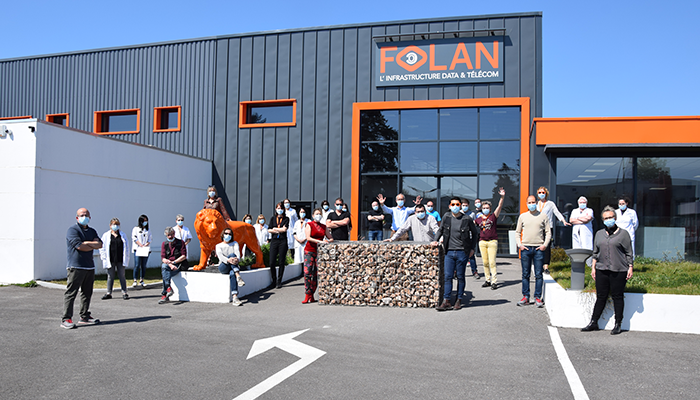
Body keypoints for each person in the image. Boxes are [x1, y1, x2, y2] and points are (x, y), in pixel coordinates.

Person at [581, 206, 634, 335]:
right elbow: (595, 252)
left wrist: (630, 267)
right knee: (601, 297)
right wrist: (593, 268)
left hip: (619, 269)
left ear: (615, 218)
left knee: (617, 296)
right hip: (601, 269)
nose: (608, 220)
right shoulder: (599, 234)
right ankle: (593, 322)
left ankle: (618, 324)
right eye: (605, 218)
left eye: (610, 217)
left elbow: (629, 252)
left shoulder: (623, 234)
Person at [431, 197, 479, 311]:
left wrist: (472, 249)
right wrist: (435, 240)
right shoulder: (446, 217)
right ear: (449, 206)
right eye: (453, 204)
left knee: (461, 276)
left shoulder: (466, 219)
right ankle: (446, 300)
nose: (455, 206)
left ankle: (459, 299)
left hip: (462, 252)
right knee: (448, 276)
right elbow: (441, 230)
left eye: (458, 204)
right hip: (449, 251)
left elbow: (475, 234)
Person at [62, 208, 103, 329]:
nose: (84, 217)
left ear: (90, 217)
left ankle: (84, 316)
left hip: (89, 266)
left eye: (86, 215)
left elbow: (100, 245)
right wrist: (91, 245)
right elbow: (79, 246)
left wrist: (87, 244)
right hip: (76, 266)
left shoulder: (92, 231)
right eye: (82, 215)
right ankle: (66, 319)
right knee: (71, 293)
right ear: (77, 217)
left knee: (87, 292)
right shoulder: (72, 230)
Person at [515, 195, 552, 308]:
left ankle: (537, 297)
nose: (531, 204)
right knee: (525, 274)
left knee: (538, 275)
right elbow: (517, 232)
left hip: (538, 249)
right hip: (526, 249)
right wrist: (520, 245)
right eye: (529, 202)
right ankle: (526, 296)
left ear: (536, 202)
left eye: (533, 202)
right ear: (526, 203)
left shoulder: (543, 216)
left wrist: (544, 245)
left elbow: (548, 233)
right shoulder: (523, 216)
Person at [475, 188, 506, 290]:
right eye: (484, 208)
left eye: (487, 207)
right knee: (485, 262)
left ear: (490, 209)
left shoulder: (493, 216)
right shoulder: (478, 219)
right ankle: (487, 280)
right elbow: (470, 224)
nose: (485, 209)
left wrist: (502, 197)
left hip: (492, 241)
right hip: (482, 242)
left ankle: (494, 281)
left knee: (492, 262)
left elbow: (500, 206)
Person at [536, 187, 572, 272]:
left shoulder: (550, 204)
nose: (541, 194)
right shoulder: (536, 204)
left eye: (543, 192)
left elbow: (557, 213)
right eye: (540, 192)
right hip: (538, 228)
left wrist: (563, 221)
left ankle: (546, 267)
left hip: (548, 227)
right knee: (538, 246)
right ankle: (539, 265)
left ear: (546, 193)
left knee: (547, 247)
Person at [303, 208, 333, 304]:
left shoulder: (324, 227)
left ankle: (312, 293)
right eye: (316, 214)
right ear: (312, 215)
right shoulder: (309, 224)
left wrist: (328, 241)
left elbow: (330, 238)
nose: (318, 215)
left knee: (316, 273)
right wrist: (320, 241)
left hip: (319, 252)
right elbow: (308, 237)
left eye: (319, 214)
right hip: (309, 250)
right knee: (307, 272)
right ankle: (307, 293)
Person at [99, 218, 130, 300]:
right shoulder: (106, 235)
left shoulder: (122, 235)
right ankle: (109, 293)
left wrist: (127, 257)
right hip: (110, 259)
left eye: (117, 224)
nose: (115, 226)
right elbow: (102, 247)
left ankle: (124, 292)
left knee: (122, 275)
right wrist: (103, 257)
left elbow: (126, 247)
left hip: (120, 259)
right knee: (110, 276)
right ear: (110, 225)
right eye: (113, 224)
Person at [216, 227, 246, 306]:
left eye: (229, 234)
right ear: (223, 234)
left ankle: (235, 297)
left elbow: (238, 253)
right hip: (223, 266)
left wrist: (237, 259)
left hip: (233, 266)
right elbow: (220, 256)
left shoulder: (235, 243)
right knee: (231, 255)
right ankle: (238, 276)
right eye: (226, 233)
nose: (227, 235)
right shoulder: (218, 245)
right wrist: (228, 260)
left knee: (232, 273)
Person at [158, 227, 187, 304]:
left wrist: (174, 262)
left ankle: (165, 293)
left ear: (174, 234)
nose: (170, 237)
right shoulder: (164, 244)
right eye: (168, 235)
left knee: (165, 272)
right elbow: (163, 258)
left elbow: (184, 256)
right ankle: (168, 288)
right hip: (169, 265)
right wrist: (170, 264)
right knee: (165, 268)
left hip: (178, 264)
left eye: (171, 235)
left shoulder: (181, 242)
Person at [268, 202, 290, 289]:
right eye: (278, 208)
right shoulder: (273, 218)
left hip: (282, 241)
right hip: (274, 241)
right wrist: (278, 230)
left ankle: (279, 281)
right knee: (272, 261)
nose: (279, 210)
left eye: (281, 208)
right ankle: (273, 280)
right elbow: (269, 230)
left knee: (281, 261)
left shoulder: (286, 219)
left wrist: (275, 229)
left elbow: (284, 229)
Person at [461, 198, 480, 279]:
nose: (465, 207)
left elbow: (474, 225)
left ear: (468, 205)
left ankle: (474, 271)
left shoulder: (472, 214)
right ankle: (456, 271)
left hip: (469, 237)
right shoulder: (458, 213)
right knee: (458, 255)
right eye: (463, 205)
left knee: (471, 255)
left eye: (466, 205)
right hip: (460, 238)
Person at [131, 214, 151, 288]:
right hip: (138, 249)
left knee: (143, 265)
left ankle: (142, 280)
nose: (145, 222)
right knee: (137, 265)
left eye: (146, 221)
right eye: (144, 221)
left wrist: (146, 244)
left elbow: (150, 239)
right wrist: (140, 245)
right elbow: (134, 238)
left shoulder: (148, 230)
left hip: (145, 249)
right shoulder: (136, 229)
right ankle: (135, 280)